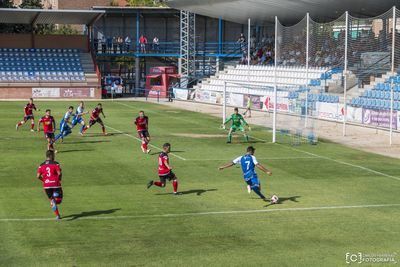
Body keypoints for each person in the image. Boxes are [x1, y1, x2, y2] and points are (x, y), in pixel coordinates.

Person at [37, 150, 63, 220]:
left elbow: (38, 176)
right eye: (54, 155)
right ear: (51, 156)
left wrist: (44, 180)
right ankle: (54, 200)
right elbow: (59, 173)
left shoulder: (41, 165)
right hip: (55, 184)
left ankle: (57, 216)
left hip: (46, 185)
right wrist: (59, 179)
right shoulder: (56, 163)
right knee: (59, 200)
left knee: (51, 199)